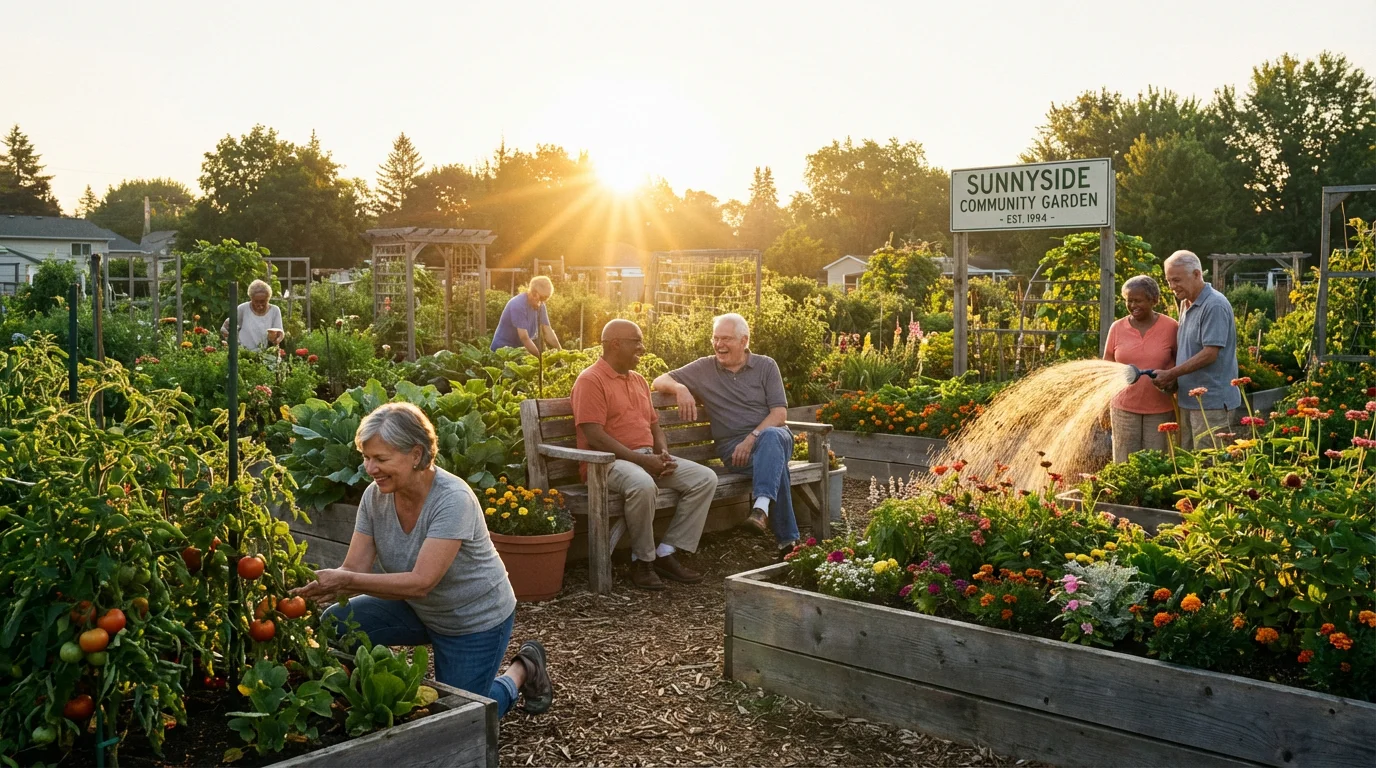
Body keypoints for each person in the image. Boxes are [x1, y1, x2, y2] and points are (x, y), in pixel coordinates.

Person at [292, 402, 553, 717]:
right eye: (366, 458)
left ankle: (522, 671)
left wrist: (346, 581)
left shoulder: (452, 499)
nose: (370, 468)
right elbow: (354, 568)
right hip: (420, 610)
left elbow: (421, 583)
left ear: (416, 454)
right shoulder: (375, 497)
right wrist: (316, 591)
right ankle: (369, 700)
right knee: (336, 622)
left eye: (381, 459)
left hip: (471, 619)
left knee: (458, 719)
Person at [570, 319, 718, 590]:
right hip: (606, 464)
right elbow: (594, 436)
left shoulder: (637, 380)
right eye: (636, 341)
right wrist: (641, 460)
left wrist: (662, 453)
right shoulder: (590, 380)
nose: (642, 347)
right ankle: (642, 562)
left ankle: (666, 552)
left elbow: (653, 424)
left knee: (704, 478)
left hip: (646, 458)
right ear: (615, 344)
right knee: (642, 484)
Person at [652, 313, 799, 557]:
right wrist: (680, 388)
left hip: (771, 440)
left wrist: (751, 438)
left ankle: (761, 507)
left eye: (726, 339)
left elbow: (779, 414)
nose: (719, 345)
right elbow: (659, 380)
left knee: (772, 437)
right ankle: (787, 542)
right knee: (776, 466)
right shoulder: (704, 368)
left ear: (744, 341)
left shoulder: (766, 366)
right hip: (734, 452)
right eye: (716, 338)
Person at [1153, 250, 1240, 450]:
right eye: (1168, 281)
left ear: (1197, 275)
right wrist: (1175, 380)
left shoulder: (1214, 305)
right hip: (1190, 400)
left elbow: (1210, 353)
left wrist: (1171, 373)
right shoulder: (1186, 303)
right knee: (1190, 463)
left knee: (1210, 463)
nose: (1173, 287)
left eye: (1177, 280)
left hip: (1212, 403)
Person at [1103, 275, 1179, 462]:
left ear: (1153, 300)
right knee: (1124, 463)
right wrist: (1103, 406)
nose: (1132, 305)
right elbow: (1106, 367)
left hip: (1160, 409)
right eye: (1129, 300)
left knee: (1156, 462)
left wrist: (1173, 382)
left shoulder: (1171, 327)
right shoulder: (1117, 328)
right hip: (1124, 409)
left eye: (1138, 300)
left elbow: (1180, 363)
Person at [492, 276, 562, 355]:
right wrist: (539, 359)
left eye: (546, 298)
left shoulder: (540, 304)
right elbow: (524, 337)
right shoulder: (518, 304)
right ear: (534, 293)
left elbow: (547, 331)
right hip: (502, 350)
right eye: (542, 298)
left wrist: (561, 352)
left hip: (518, 350)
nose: (543, 301)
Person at [220, 279, 284, 351]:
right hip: (244, 353)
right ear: (251, 298)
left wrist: (276, 340)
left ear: (268, 298)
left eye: (263, 301)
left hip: (267, 355)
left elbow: (279, 332)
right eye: (256, 301)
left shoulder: (274, 310)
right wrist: (233, 342)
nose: (260, 305)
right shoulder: (243, 309)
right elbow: (224, 328)